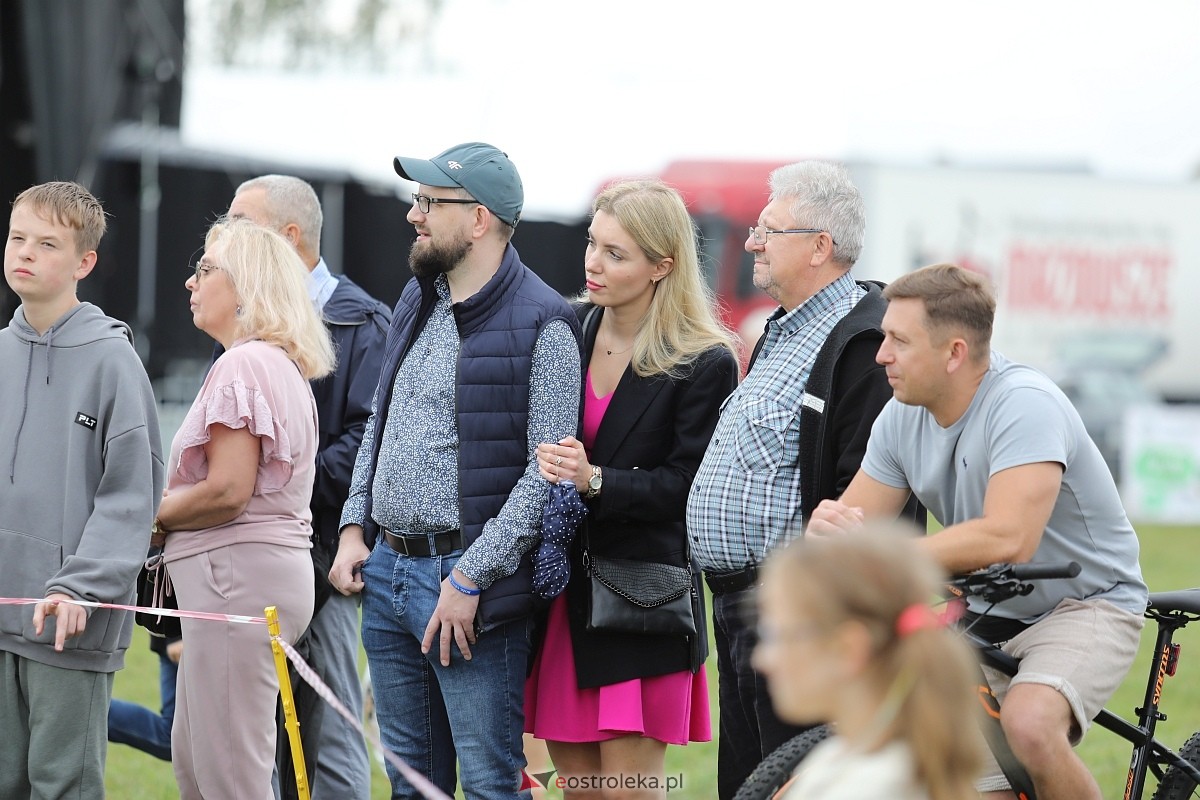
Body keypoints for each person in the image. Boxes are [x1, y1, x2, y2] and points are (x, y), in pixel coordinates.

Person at [808, 263, 1148, 800]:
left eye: (898, 340)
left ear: (955, 353)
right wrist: (828, 534)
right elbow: (857, 526)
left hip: (1087, 604)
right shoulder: (901, 415)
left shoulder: (1024, 404)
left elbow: (1007, 538)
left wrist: (893, 559)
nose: (881, 356)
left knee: (1031, 727)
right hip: (991, 606)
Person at [328, 142, 581, 799]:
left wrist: (471, 577)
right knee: (411, 783)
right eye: (417, 200)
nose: (414, 215)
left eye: (430, 202)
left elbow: (547, 470)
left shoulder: (547, 323)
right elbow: (381, 421)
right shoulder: (418, 299)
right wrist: (356, 527)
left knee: (491, 785)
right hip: (387, 574)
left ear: (479, 219)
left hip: (467, 586)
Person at [685, 160, 917, 799]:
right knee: (747, 786)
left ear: (821, 246)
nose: (753, 242)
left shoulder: (866, 341)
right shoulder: (782, 332)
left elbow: (869, 494)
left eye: (769, 229)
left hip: (798, 612)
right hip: (742, 607)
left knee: (796, 786)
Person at [524, 180, 739, 796]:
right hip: (564, 601)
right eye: (593, 243)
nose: (592, 262)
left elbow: (686, 489)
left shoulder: (706, 360)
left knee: (627, 793)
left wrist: (595, 481)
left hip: (639, 604)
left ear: (661, 267)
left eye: (615, 253)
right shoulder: (568, 330)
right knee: (579, 791)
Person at [154, 217, 335, 799]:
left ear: (246, 285)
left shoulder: (245, 363)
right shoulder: (269, 363)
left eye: (204, 269)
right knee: (200, 763)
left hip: (237, 582)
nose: (191, 282)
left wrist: (149, 517)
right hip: (241, 582)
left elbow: (229, 492)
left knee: (229, 777)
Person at [0, 181, 165, 799]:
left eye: (47, 243)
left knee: (62, 786)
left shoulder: (113, 361)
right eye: (18, 237)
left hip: (68, 623)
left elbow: (131, 494)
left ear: (84, 262)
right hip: (0, 614)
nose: (26, 252)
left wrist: (81, 586)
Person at [227, 173, 390, 800]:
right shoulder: (244, 324)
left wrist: (272, 483)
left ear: (288, 236)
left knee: (330, 735)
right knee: (256, 737)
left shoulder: (361, 326)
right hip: (254, 562)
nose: (227, 237)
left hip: (324, 562)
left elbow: (368, 444)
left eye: (244, 222)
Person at [753, 526, 984, 800]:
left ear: (847, 648)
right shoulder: (847, 760)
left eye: (776, 635)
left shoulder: (866, 789)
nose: (761, 660)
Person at [107, 634, 183, 761]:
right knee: (175, 741)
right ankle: (82, 711)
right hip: (186, 640)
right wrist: (175, 636)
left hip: (193, 639)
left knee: (175, 741)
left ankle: (82, 710)